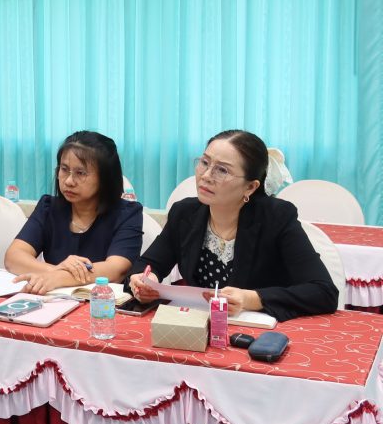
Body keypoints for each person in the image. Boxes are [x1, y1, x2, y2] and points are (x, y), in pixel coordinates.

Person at [127, 130, 338, 321]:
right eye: (205, 162)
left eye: (222, 170)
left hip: (259, 332)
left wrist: (251, 299)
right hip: (199, 327)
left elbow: (324, 292)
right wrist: (145, 280)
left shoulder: (277, 218)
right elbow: (149, 263)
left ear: (250, 187)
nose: (206, 176)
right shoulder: (184, 213)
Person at [5, 131, 142, 294]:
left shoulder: (127, 214)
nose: (69, 181)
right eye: (64, 169)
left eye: (80, 173)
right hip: (52, 300)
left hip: (103, 304)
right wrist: (57, 271)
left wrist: (59, 278)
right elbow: (13, 257)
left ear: (105, 178)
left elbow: (115, 270)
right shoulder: (48, 207)